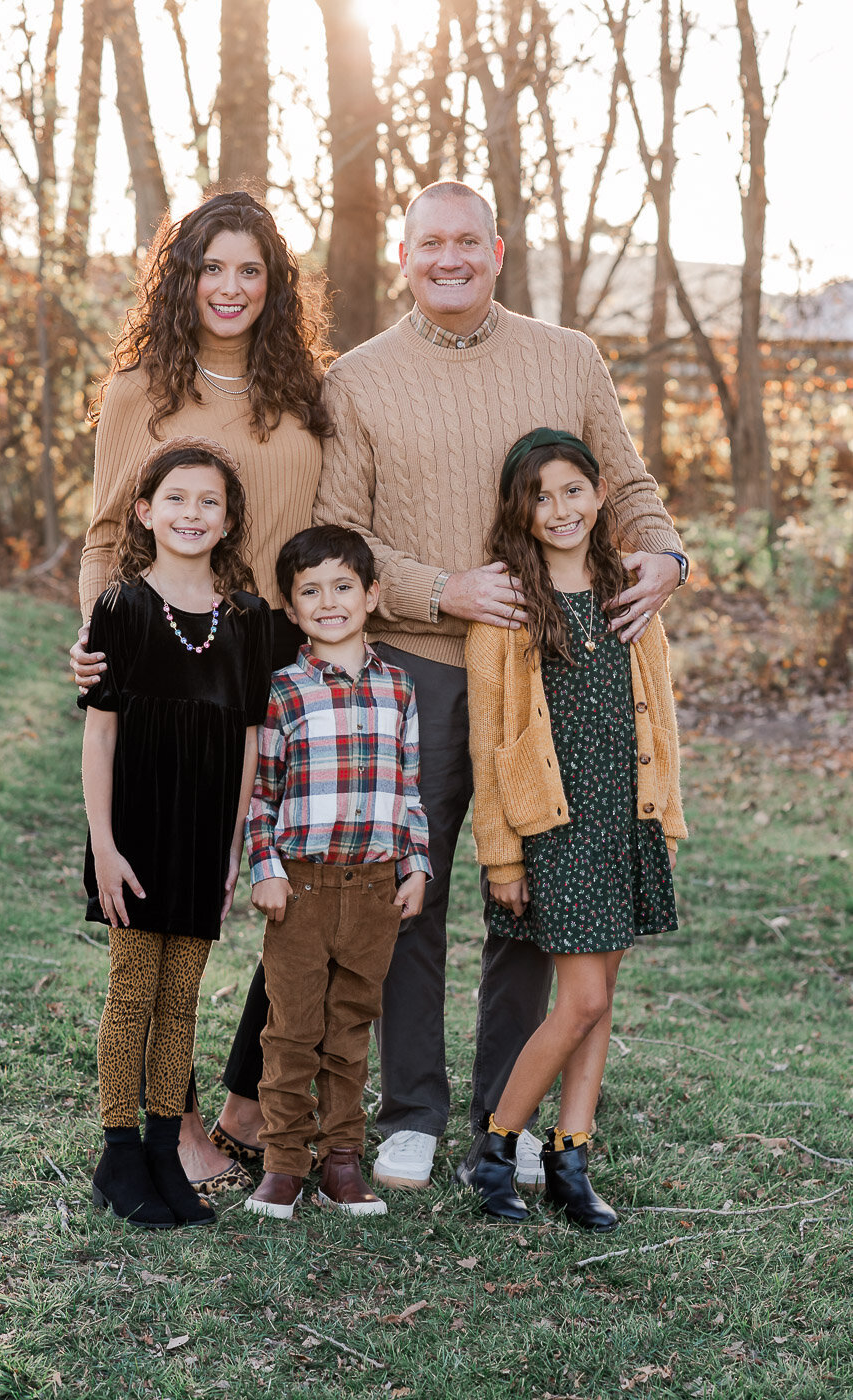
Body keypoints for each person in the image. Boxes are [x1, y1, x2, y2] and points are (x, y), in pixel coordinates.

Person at [313, 179, 690, 1192]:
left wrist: (665, 554)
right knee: (413, 889)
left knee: (534, 893)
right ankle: (411, 1111)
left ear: (497, 248)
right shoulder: (354, 379)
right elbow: (336, 538)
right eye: (428, 242)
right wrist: (445, 587)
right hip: (418, 665)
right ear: (403, 255)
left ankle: (503, 1114)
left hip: (553, 674)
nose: (448, 258)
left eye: (465, 242)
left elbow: (630, 485)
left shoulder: (566, 356)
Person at [71, 190, 331, 1192]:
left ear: (273, 285)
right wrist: (103, 641)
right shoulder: (139, 390)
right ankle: (162, 1127)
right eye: (209, 267)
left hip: (273, 661)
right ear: (182, 279)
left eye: (248, 270)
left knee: (280, 891)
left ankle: (241, 1102)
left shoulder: (305, 393)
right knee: (161, 906)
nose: (228, 287)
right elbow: (104, 535)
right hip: (166, 659)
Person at [456, 428, 686, 1228]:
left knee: (602, 996)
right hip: (554, 826)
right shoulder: (508, 612)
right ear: (519, 511)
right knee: (580, 999)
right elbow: (489, 750)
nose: (559, 510)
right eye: (540, 497)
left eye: (573, 491)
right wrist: (501, 857)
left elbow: (653, 705)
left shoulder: (629, 590)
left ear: (598, 495)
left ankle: (570, 1156)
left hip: (623, 815)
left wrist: (660, 803)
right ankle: (492, 1147)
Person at [81, 437, 272, 1229]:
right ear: (144, 511)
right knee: (133, 992)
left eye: (209, 503)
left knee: (182, 996)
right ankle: (119, 1153)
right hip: (132, 834)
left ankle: (167, 1145)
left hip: (202, 840)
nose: (191, 514)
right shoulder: (121, 609)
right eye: (176, 499)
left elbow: (251, 744)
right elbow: (99, 736)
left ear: (228, 522)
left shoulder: (249, 621)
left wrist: (231, 849)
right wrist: (103, 847)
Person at [242, 526, 430, 1219]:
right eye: (310, 591)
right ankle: (284, 1164)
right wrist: (266, 869)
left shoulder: (401, 691)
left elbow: (411, 790)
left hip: (377, 887)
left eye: (342, 587)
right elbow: (263, 794)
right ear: (291, 609)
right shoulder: (285, 692)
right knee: (291, 1030)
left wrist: (417, 866)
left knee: (351, 1028)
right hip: (302, 885)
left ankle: (342, 1163)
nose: (328, 602)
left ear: (372, 595)